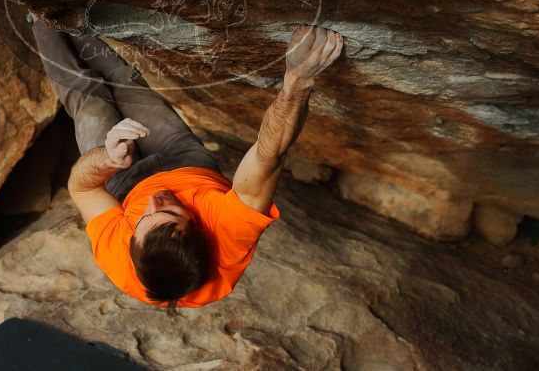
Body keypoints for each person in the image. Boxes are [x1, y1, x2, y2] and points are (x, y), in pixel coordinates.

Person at [32, 19, 343, 314]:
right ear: (202, 229)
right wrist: (297, 81)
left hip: (124, 183)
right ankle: (70, 22)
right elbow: (269, 153)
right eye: (169, 212)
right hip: (184, 161)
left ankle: (42, 19)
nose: (154, 202)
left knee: (91, 103)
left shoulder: (119, 258)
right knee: (129, 87)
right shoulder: (228, 234)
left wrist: (108, 159)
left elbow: (81, 186)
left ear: (133, 243)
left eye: (144, 220)